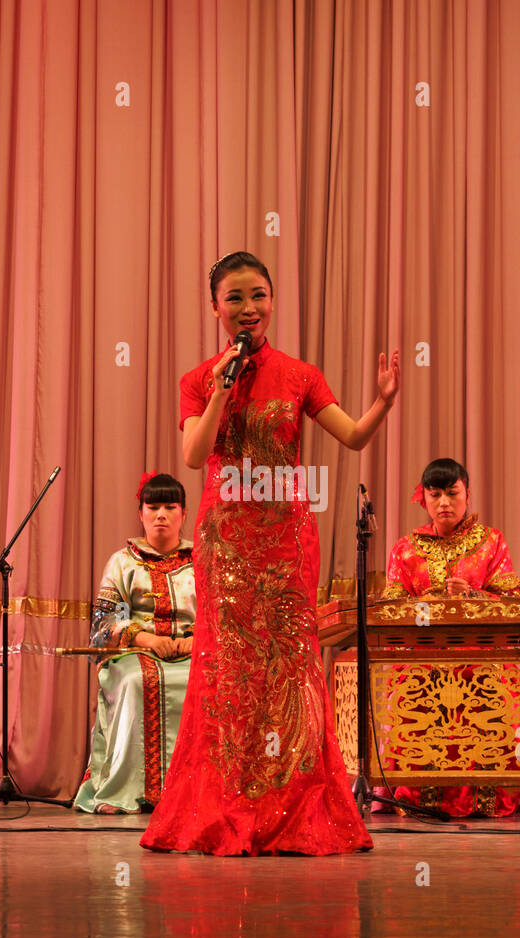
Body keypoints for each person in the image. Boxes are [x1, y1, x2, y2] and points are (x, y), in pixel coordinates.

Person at [140, 251, 399, 855]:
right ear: (215, 309)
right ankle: (225, 801)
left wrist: (383, 401)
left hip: (285, 540)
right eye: (234, 298)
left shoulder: (300, 373)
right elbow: (192, 455)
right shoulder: (199, 377)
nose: (247, 308)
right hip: (224, 541)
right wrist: (221, 390)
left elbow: (354, 436)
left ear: (273, 301)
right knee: (228, 673)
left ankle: (294, 804)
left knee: (290, 672)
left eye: (257, 295)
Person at [376, 457, 520, 817]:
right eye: (436, 494)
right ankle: (419, 794)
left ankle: (485, 796)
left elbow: (514, 603)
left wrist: (474, 594)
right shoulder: (406, 548)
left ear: (467, 495)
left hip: (481, 666)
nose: (444, 502)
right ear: (424, 499)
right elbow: (390, 608)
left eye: (452, 493)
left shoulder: (491, 541)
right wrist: (424, 602)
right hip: (423, 667)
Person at [75, 471, 196, 814]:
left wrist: (195, 640)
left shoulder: (202, 562)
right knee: (135, 681)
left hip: (192, 654)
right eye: (152, 506)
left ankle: (197, 789)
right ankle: (122, 789)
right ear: (140, 513)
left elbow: (222, 615)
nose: (161, 514)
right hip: (135, 653)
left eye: (170, 507)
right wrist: (145, 638)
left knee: (207, 681)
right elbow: (102, 623)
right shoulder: (123, 562)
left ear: (183, 514)